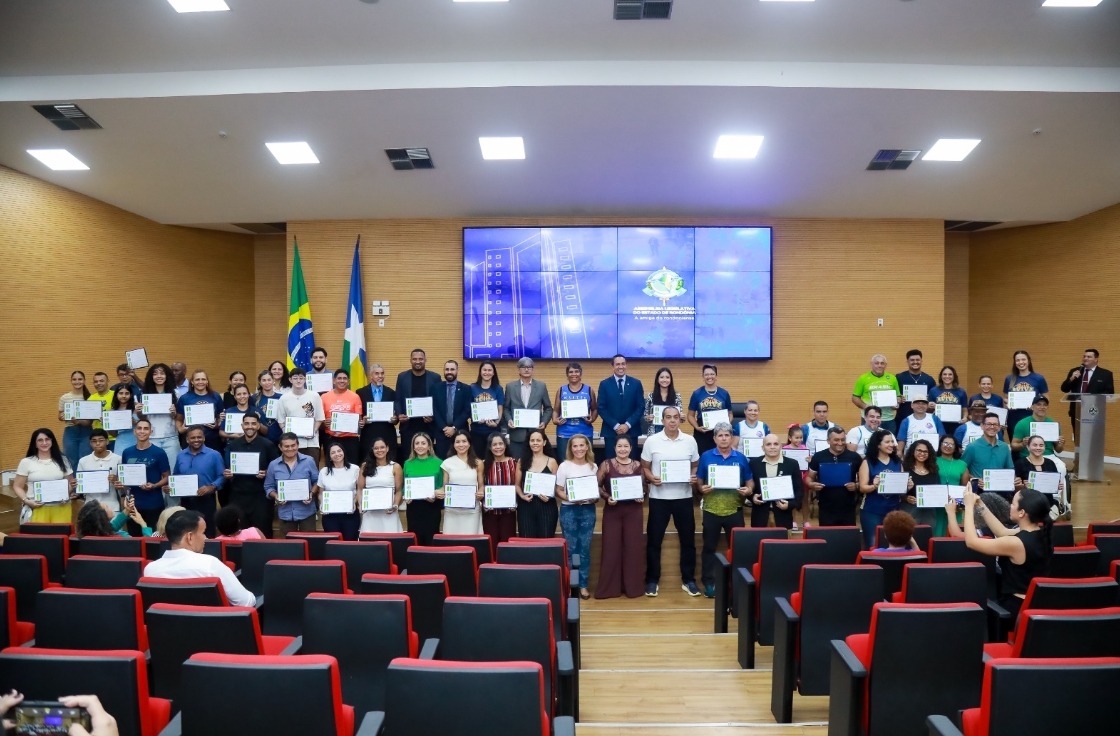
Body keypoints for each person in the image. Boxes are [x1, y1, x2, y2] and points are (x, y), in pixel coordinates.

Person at [962, 487, 1053, 621]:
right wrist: (980, 505)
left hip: (1016, 609)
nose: (1010, 506)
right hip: (1037, 603)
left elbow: (971, 542)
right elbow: (1001, 531)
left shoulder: (1016, 543)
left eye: (1013, 503)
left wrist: (968, 507)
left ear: (1022, 512)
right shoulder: (1040, 533)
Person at [640, 406, 700, 597]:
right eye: (668, 417)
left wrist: (693, 476)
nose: (672, 420)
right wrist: (651, 478)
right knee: (654, 541)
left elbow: (696, 464)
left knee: (688, 541)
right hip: (659, 499)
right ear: (662, 420)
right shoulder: (652, 441)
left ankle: (689, 580)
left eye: (675, 417)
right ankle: (652, 580)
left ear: (680, 420)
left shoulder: (690, 441)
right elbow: (645, 467)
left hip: (683, 498)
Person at [143, 509, 256, 607]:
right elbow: (245, 602)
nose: (205, 538)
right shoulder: (210, 565)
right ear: (190, 537)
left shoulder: (150, 570)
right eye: (203, 532)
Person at [694, 423, 752, 598]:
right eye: (720, 435)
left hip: (734, 509)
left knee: (737, 549)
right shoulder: (706, 456)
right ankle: (709, 583)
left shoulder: (741, 458)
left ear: (731, 437)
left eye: (727, 435)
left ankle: (736, 583)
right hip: (711, 509)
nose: (724, 438)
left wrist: (748, 490)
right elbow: (699, 480)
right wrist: (701, 488)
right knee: (709, 548)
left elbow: (750, 481)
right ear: (714, 438)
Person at [595, 435, 645, 599]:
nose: (622, 449)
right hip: (613, 511)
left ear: (631, 448)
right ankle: (609, 589)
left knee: (633, 549)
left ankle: (633, 588)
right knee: (611, 549)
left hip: (633, 512)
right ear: (614, 448)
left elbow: (645, 488)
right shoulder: (606, 465)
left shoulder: (638, 465)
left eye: (626, 446)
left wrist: (642, 495)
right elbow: (597, 486)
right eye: (619, 446)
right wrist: (607, 497)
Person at [223, 411, 280, 538]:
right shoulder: (233, 445)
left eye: (253, 424)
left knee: (263, 530)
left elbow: (276, 469)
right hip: (238, 495)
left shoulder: (268, 445)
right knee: (240, 532)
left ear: (258, 426)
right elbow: (228, 468)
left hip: (261, 496)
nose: (250, 426)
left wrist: (266, 473)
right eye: (247, 423)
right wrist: (227, 473)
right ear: (242, 425)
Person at [555, 433, 599, 600]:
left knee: (585, 549)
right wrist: (571, 498)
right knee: (571, 549)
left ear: (587, 446)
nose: (579, 449)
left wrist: (594, 498)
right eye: (575, 446)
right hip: (569, 511)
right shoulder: (564, 466)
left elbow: (595, 493)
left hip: (588, 511)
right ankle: (569, 585)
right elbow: (558, 490)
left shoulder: (593, 466)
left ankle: (583, 585)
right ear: (570, 448)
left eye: (582, 445)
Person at [115, 419, 170, 535]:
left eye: (146, 429)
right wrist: (120, 484)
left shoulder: (159, 452)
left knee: (153, 540)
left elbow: (167, 477)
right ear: (134, 431)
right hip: (133, 505)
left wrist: (154, 485)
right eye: (139, 428)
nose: (142, 431)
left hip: (154, 504)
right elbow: (124, 479)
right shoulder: (127, 452)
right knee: (134, 542)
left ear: (151, 432)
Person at [13, 428, 76, 524]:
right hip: (37, 507)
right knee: (38, 538)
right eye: (40, 440)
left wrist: (66, 494)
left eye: (47, 439)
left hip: (61, 507)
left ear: (52, 441)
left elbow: (70, 483)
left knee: (60, 537)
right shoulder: (26, 462)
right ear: (35, 444)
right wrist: (26, 501)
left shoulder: (63, 460)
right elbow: (17, 486)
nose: (44, 443)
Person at [856, 430, 906, 549]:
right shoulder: (867, 462)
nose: (891, 444)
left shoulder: (897, 462)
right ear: (878, 444)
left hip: (894, 510)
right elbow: (862, 488)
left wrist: (907, 486)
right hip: (872, 510)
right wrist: (874, 486)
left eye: (892, 442)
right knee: (873, 545)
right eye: (887, 442)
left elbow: (902, 488)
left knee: (894, 544)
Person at [173, 426, 226, 537]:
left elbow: (222, 476)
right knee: (187, 533)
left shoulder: (214, 455)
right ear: (187, 439)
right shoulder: (180, 456)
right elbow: (176, 476)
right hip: (186, 502)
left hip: (206, 501)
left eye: (199, 437)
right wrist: (171, 487)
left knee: (207, 533)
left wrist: (211, 487)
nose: (196, 440)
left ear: (204, 438)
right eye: (193, 438)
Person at [806, 426, 863, 530]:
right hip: (826, 508)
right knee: (828, 540)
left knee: (848, 540)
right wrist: (812, 484)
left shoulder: (855, 457)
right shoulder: (819, 457)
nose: (840, 443)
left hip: (848, 508)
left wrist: (857, 485)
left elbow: (864, 479)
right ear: (828, 441)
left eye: (843, 440)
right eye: (836, 440)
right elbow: (809, 478)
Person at [264, 432, 320, 533]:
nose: (290, 449)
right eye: (286, 446)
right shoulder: (273, 465)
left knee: (310, 544)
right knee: (288, 546)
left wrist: (311, 494)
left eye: (293, 445)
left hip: (306, 511)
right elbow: (268, 486)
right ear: (280, 447)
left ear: (298, 445)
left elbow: (317, 481)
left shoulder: (309, 461)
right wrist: (276, 496)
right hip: (285, 513)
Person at [748, 433, 803, 531]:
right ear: (763, 447)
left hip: (783, 517)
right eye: (768, 444)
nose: (772, 447)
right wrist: (752, 497)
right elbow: (748, 486)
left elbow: (799, 490)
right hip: (760, 516)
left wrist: (790, 505)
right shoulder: (754, 464)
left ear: (781, 446)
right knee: (759, 545)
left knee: (783, 546)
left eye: (776, 444)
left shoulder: (792, 464)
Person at [394, 349, 441, 462]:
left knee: (428, 457)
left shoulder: (435, 378)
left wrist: (433, 417)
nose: (418, 361)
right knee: (408, 457)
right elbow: (398, 399)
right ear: (410, 360)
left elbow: (439, 401)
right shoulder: (402, 377)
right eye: (415, 359)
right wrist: (400, 414)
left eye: (420, 359)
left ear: (425, 360)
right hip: (408, 426)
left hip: (428, 426)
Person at [1060, 348, 1115, 441]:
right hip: (1076, 411)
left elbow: (1109, 392)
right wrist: (1072, 378)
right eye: (1084, 356)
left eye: (1089, 357)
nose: (1085, 358)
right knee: (1078, 438)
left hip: (1094, 411)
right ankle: (1079, 454)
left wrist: (1091, 398)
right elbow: (1064, 389)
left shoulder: (1105, 374)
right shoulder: (1075, 371)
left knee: (1093, 438)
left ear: (1096, 359)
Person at [504, 357, 553, 459]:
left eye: (529, 367)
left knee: (535, 463)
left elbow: (548, 408)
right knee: (517, 464)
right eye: (523, 367)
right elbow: (506, 408)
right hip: (517, 434)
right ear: (518, 369)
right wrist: (509, 420)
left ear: (533, 369)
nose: (526, 369)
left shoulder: (541, 386)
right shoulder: (510, 387)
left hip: (536, 434)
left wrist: (544, 422)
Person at [274, 368, 325, 464]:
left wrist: (312, 431)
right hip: (290, 444)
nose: (298, 380)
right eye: (295, 378)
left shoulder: (314, 396)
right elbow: (281, 420)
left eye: (301, 378)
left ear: (305, 380)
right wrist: (287, 433)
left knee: (311, 470)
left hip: (311, 442)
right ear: (290, 380)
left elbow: (319, 418)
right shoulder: (284, 398)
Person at [138, 363, 182, 473]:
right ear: (151, 377)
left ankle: (170, 491)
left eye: (162, 373)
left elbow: (178, 417)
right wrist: (139, 412)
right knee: (154, 470)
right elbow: (143, 418)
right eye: (155, 374)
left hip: (171, 437)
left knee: (172, 470)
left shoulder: (176, 393)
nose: (159, 376)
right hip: (152, 437)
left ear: (167, 376)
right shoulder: (144, 394)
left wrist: (174, 413)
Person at [515, 429, 560, 539]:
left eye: (538, 440)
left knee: (546, 541)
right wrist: (522, 496)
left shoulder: (552, 461)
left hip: (547, 506)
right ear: (529, 442)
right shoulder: (521, 461)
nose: (535, 443)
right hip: (526, 506)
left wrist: (549, 496)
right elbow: (517, 485)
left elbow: (557, 487)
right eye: (532, 440)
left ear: (544, 442)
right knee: (526, 541)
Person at [596, 355, 642, 460]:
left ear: (626, 365)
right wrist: (616, 425)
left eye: (623, 364)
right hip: (611, 432)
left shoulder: (636, 383)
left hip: (631, 431)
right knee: (611, 464)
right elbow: (601, 407)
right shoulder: (604, 384)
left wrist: (627, 424)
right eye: (617, 364)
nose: (620, 367)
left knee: (631, 463)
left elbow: (640, 406)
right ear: (612, 366)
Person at [403, 432, 444, 546]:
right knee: (415, 541)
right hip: (413, 508)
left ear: (429, 446)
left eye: (423, 443)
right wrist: (405, 496)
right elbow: (404, 486)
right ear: (413, 447)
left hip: (431, 506)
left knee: (431, 540)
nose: (420, 446)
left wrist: (436, 494)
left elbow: (442, 485)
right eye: (417, 443)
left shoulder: (439, 463)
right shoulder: (408, 463)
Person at [315, 442, 362, 541]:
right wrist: (322, 504)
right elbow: (320, 493)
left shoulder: (355, 469)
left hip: (350, 514)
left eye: (339, 451)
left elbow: (359, 490)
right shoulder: (324, 471)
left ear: (344, 452)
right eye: (333, 453)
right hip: (330, 515)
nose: (337, 454)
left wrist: (354, 503)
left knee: (350, 543)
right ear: (329, 456)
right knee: (333, 544)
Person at [962, 412, 1015, 499]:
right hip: (979, 492)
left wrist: (1014, 479)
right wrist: (975, 479)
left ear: (999, 427)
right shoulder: (972, 447)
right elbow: (962, 468)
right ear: (982, 426)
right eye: (988, 424)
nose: (992, 427)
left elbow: (1009, 469)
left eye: (995, 424)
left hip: (1000, 492)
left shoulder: (1004, 447)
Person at [440, 430, 484, 535]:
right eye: (457, 442)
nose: (461, 445)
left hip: (471, 510)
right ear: (453, 444)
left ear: (469, 443)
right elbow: (444, 487)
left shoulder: (478, 463)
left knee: (470, 539)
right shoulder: (447, 463)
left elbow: (481, 486)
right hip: (452, 511)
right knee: (452, 541)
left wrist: (481, 492)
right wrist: (439, 492)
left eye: (464, 441)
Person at [358, 437, 404, 533]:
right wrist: (361, 505)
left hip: (388, 513)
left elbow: (399, 490)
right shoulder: (365, 466)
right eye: (376, 448)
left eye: (382, 447)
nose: (379, 450)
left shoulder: (395, 467)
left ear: (387, 448)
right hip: (370, 514)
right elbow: (360, 489)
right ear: (372, 450)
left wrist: (395, 506)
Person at [555, 362, 598, 461]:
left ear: (580, 374)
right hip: (565, 432)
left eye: (576, 371)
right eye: (571, 372)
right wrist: (555, 420)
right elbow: (556, 411)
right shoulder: (561, 390)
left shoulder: (589, 390)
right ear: (567, 375)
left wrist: (592, 419)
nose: (574, 374)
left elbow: (594, 409)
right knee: (565, 462)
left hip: (584, 432)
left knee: (587, 461)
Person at [174, 370, 225, 453]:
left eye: (203, 379)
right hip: (191, 439)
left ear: (207, 381)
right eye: (197, 379)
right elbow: (179, 419)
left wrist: (217, 425)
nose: (200, 382)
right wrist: (181, 429)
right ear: (192, 382)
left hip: (212, 439)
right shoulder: (185, 398)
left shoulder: (216, 396)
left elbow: (220, 417)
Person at [687, 364, 733, 457]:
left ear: (716, 376)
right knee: (703, 457)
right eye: (706, 374)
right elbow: (690, 415)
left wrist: (727, 424)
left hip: (720, 431)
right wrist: (697, 427)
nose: (709, 377)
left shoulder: (724, 393)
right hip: (702, 431)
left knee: (720, 455)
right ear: (703, 377)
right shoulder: (696, 393)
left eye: (712, 374)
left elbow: (730, 413)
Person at [481, 432, 518, 547]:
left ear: (505, 445)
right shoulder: (483, 464)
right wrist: (483, 503)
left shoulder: (514, 463)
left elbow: (517, 486)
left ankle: (506, 565)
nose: (498, 447)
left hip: (509, 512)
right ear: (489, 447)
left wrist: (515, 502)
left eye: (500, 444)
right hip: (489, 512)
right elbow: (480, 486)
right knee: (491, 544)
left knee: (507, 544)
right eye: (494, 444)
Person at [1004, 350, 1049, 443]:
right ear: (1014, 362)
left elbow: (1046, 399)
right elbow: (1005, 398)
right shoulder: (1009, 379)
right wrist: (1008, 404)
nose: (1021, 362)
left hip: (1033, 417)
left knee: (1032, 444)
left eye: (1023, 359)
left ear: (1028, 360)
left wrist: (1036, 406)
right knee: (1016, 445)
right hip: (1013, 418)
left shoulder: (1039, 378)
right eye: (1018, 360)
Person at [356, 363, 398, 462]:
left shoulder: (391, 392)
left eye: (382, 373)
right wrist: (362, 420)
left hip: (387, 433)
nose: (380, 376)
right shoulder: (360, 392)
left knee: (388, 462)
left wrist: (395, 419)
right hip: (368, 433)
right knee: (368, 462)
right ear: (371, 376)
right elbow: (357, 414)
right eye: (377, 373)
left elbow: (396, 414)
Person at [322, 368, 364, 464]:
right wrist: (324, 423)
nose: (342, 381)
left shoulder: (355, 397)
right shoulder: (324, 397)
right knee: (332, 466)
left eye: (345, 378)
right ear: (334, 380)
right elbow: (320, 419)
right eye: (339, 378)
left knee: (352, 466)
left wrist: (360, 423)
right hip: (331, 438)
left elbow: (359, 418)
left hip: (350, 439)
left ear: (348, 381)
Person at [901, 439, 943, 534]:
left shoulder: (933, 470)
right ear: (913, 452)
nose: (922, 453)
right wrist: (906, 497)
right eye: (919, 450)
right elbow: (897, 490)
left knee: (927, 537)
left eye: (925, 451)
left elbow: (938, 490)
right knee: (908, 536)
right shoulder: (905, 468)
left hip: (929, 512)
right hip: (910, 509)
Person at [852, 354, 902, 433]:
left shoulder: (892, 378)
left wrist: (896, 403)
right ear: (871, 364)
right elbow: (855, 398)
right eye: (877, 363)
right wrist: (866, 407)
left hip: (888, 419)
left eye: (882, 363)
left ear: (885, 365)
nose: (879, 365)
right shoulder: (863, 378)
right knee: (868, 442)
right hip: (869, 418)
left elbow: (898, 397)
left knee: (889, 443)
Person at [76, 429, 123, 512]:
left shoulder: (118, 459)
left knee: (114, 525)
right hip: (90, 507)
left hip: (112, 507)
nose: (97, 443)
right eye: (94, 441)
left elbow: (124, 486)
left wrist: (116, 480)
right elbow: (80, 486)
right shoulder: (83, 461)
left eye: (101, 440)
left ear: (107, 441)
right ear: (90, 443)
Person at [433, 360, 472, 459]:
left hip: (460, 433)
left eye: (452, 369)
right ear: (444, 371)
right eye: (447, 369)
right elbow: (434, 409)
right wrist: (444, 427)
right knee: (443, 462)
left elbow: (467, 410)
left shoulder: (466, 389)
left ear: (457, 371)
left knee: (462, 461)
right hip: (442, 433)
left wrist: (454, 428)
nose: (449, 372)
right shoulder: (436, 388)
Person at [1014, 435, 1064, 508]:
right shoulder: (1020, 463)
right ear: (1028, 447)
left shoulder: (1050, 463)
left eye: (1041, 445)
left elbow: (1055, 484)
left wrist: (1058, 486)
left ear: (1044, 447)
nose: (1038, 448)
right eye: (1035, 445)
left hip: (1048, 503)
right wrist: (1023, 486)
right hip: (1028, 504)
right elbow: (1016, 489)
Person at [468, 361, 504, 458]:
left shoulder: (498, 389)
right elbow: (469, 408)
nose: (486, 372)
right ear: (480, 372)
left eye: (489, 370)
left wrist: (496, 423)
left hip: (493, 431)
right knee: (478, 459)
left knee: (492, 459)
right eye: (484, 370)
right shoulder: (472, 388)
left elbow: (500, 408)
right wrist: (475, 418)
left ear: (493, 373)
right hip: (477, 431)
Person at [60, 369, 93, 470]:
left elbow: (90, 420)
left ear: (84, 380)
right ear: (71, 381)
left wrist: (79, 421)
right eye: (74, 379)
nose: (77, 382)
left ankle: (85, 484)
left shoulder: (90, 397)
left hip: (86, 431)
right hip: (70, 430)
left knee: (85, 458)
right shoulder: (64, 397)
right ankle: (73, 485)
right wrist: (62, 416)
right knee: (70, 459)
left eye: (80, 379)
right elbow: (60, 415)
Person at [894, 349, 937, 425]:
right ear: (907, 362)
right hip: (902, 418)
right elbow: (893, 398)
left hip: (923, 420)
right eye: (912, 360)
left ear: (921, 361)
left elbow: (933, 402)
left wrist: (930, 403)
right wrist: (898, 399)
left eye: (918, 360)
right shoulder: (898, 378)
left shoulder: (929, 380)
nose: (915, 362)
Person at [77, 497, 152, 538]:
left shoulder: (90, 535)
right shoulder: (122, 537)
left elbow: (111, 527)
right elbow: (146, 545)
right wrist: (143, 524)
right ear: (102, 517)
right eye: (107, 506)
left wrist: (127, 510)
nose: (109, 507)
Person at [644, 367, 683, 438]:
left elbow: (679, 417)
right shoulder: (650, 396)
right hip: (654, 432)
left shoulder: (677, 396)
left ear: (671, 380)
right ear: (657, 379)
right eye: (662, 377)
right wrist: (648, 418)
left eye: (667, 377)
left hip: (672, 432)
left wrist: (682, 417)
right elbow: (645, 415)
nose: (664, 380)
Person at [929, 365, 968, 437]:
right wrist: (929, 406)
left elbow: (965, 410)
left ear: (954, 376)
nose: (947, 376)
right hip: (939, 424)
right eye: (944, 374)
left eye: (950, 374)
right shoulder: (933, 390)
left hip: (955, 425)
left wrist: (965, 418)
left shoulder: (961, 391)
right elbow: (928, 410)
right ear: (941, 376)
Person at [252, 369, 284, 444]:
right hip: (261, 439)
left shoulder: (281, 397)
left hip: (279, 437)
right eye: (264, 380)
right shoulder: (254, 398)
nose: (267, 383)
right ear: (260, 382)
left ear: (273, 381)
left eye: (269, 380)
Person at [107, 384, 138, 454]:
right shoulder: (112, 412)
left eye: (127, 393)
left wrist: (135, 423)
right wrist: (107, 426)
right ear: (116, 395)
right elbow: (114, 434)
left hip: (136, 441)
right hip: (120, 442)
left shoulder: (137, 408)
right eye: (121, 393)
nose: (124, 396)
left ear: (131, 395)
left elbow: (145, 425)